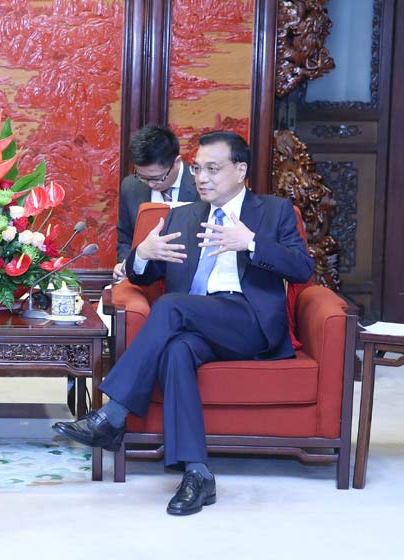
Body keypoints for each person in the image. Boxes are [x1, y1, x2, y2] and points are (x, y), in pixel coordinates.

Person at [54, 131, 313, 516]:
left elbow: (303, 268)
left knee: (172, 307)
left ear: (240, 171)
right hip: (196, 323)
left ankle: (113, 414)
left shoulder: (274, 211)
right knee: (177, 351)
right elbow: (144, 277)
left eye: (213, 169)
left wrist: (252, 243)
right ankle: (197, 473)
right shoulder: (182, 216)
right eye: (197, 169)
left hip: (250, 324)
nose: (203, 178)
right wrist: (142, 254)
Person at [114, 125, 199, 281]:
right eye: (142, 177)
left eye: (157, 178)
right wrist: (125, 264)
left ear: (176, 162)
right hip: (142, 279)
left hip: (189, 280)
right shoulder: (131, 186)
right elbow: (125, 238)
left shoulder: (202, 186)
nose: (150, 184)